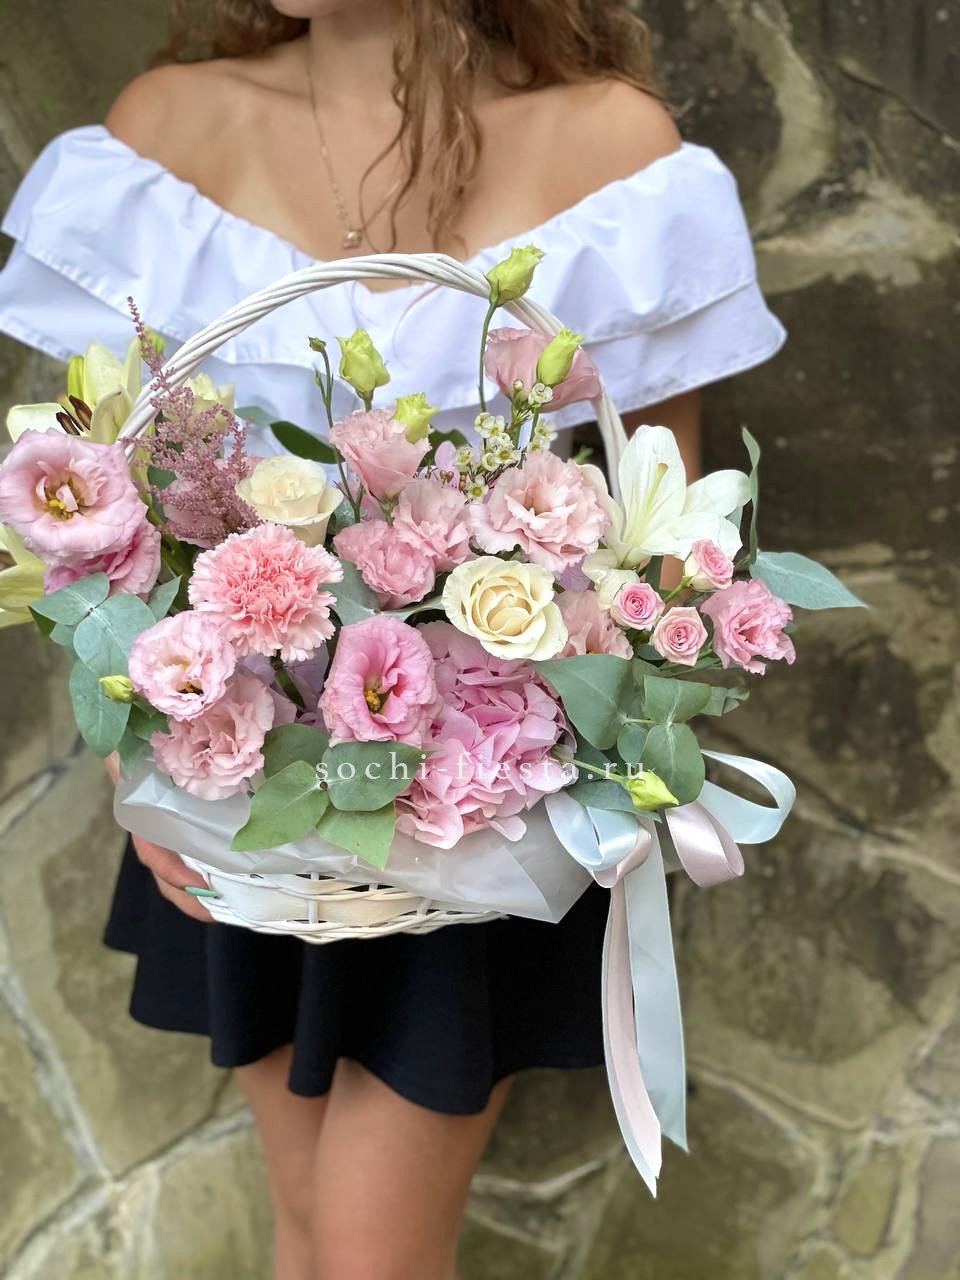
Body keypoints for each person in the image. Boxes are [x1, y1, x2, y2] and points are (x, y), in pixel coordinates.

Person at [0, 2, 785, 1277]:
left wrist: (599, 747)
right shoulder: (165, 134)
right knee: (309, 1230)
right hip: (229, 796)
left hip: (482, 815)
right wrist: (130, 758)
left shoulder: (613, 150)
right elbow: (96, 520)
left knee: (372, 1254)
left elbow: (673, 543)